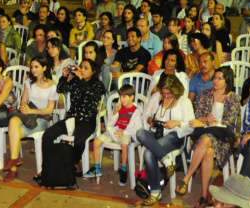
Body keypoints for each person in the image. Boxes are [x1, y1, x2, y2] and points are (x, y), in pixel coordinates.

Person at [177, 67, 241, 207]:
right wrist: (206, 119)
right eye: (215, 78)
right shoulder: (205, 94)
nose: (216, 81)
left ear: (227, 81)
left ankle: (188, 178)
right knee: (207, 147)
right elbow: (197, 116)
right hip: (204, 134)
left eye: (220, 78)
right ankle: (204, 196)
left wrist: (215, 122)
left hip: (223, 138)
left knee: (207, 142)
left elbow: (229, 122)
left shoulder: (233, 97)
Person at [40, 59, 106, 179]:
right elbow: (60, 89)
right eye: (81, 67)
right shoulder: (75, 81)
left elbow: (89, 97)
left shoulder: (98, 85)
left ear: (93, 71)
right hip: (71, 119)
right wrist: (64, 77)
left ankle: (71, 164)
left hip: (87, 121)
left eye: (86, 68)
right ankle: (47, 168)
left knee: (77, 140)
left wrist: (81, 80)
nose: (82, 70)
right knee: (48, 135)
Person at [136, 75, 194, 206]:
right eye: (163, 93)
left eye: (169, 93)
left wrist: (177, 123)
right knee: (140, 133)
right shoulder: (157, 98)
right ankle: (166, 161)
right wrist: (150, 120)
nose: (166, 96)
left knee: (148, 153)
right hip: (156, 135)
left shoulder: (184, 102)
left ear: (176, 90)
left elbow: (191, 126)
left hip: (174, 136)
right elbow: (145, 114)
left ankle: (155, 192)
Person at [3, 56, 57, 178]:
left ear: (44, 68)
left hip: (43, 118)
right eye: (32, 67)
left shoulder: (52, 86)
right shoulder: (29, 82)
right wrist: (24, 107)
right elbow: (24, 101)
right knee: (13, 120)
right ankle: (14, 160)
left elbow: (50, 109)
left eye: (36, 67)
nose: (33, 69)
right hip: (27, 116)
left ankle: (13, 166)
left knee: (14, 132)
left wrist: (31, 110)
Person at [85, 84, 144, 184]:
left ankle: (124, 169)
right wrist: (115, 112)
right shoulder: (119, 107)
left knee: (124, 144)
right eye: (121, 97)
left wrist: (124, 132)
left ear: (132, 97)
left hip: (127, 133)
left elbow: (137, 127)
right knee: (96, 142)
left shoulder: (136, 110)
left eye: (124, 97)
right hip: (114, 131)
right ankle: (97, 168)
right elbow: (110, 124)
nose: (122, 99)